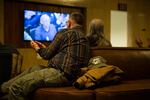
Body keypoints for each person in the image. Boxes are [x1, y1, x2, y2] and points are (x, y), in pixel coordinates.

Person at [0, 12, 90, 100]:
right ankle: (2, 89)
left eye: (67, 22)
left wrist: (37, 48)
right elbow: (61, 53)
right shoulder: (85, 38)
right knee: (34, 68)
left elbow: (46, 55)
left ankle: (5, 89)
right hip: (73, 75)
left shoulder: (65, 32)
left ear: (69, 23)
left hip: (61, 73)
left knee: (16, 87)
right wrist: (45, 48)